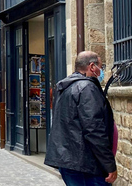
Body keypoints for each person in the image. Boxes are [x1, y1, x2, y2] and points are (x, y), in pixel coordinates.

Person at [45, 51, 117, 186]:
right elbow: (94, 129)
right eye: (101, 67)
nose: (102, 71)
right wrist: (109, 164)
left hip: (70, 160)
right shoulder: (87, 88)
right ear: (92, 67)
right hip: (85, 164)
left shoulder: (65, 87)